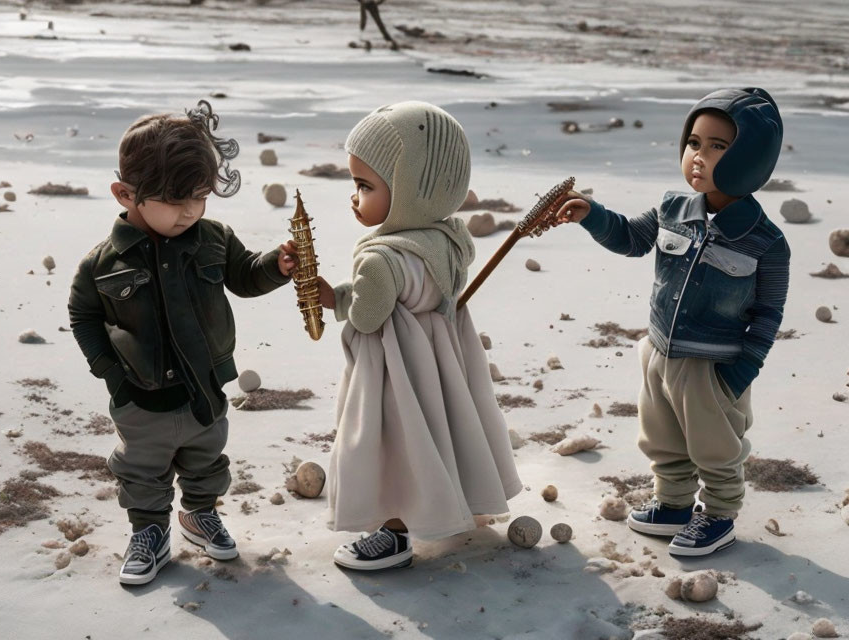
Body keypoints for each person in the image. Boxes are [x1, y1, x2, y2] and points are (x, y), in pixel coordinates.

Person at [68, 100, 298, 584]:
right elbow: (83, 315)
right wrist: (111, 375)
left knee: (206, 460)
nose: (190, 212)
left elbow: (244, 276)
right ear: (125, 194)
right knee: (142, 471)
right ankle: (149, 533)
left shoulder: (212, 237)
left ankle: (198, 514)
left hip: (205, 387)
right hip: (140, 396)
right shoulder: (102, 264)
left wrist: (276, 266)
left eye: (200, 198)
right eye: (176, 201)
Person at [556, 88, 790, 557]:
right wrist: (592, 215)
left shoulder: (766, 243)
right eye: (694, 142)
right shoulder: (672, 210)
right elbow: (630, 238)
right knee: (661, 434)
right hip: (658, 349)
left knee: (715, 445)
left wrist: (740, 373)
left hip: (713, 366)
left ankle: (719, 514)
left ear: (751, 157)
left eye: (717, 146)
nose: (699, 157)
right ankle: (674, 505)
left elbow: (768, 315)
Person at [316, 101, 522, 571]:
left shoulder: (381, 258)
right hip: (440, 360)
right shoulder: (449, 239)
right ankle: (457, 500)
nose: (355, 196)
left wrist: (336, 299)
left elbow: (368, 315)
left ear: (410, 189)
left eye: (365, 186)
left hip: (397, 373)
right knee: (442, 431)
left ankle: (392, 533)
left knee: (393, 444)